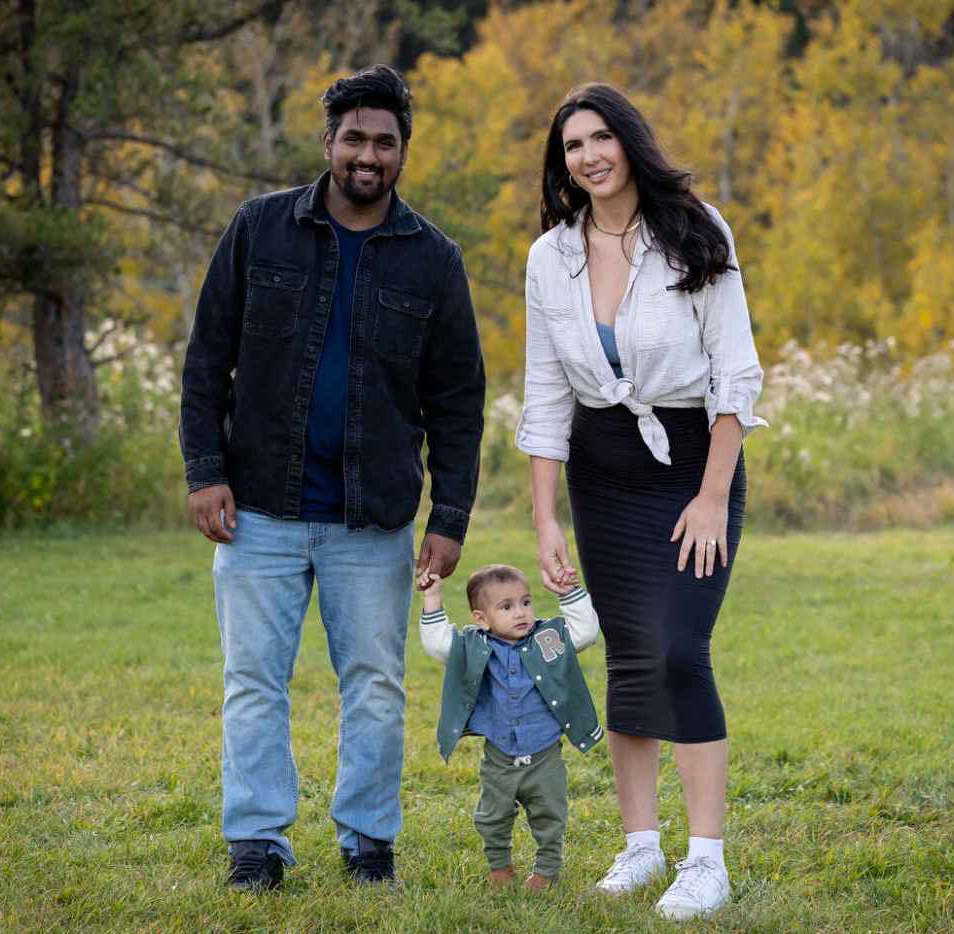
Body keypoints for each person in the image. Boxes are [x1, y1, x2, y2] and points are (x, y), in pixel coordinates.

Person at [178, 64, 485, 892]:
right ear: (328, 143)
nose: (368, 154)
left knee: (377, 687)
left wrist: (449, 516)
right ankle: (256, 844)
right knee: (253, 683)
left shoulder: (434, 261)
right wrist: (205, 470)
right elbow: (208, 359)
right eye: (354, 137)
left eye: (385, 142)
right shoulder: (259, 229)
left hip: (373, 517)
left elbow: (458, 400)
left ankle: (368, 842)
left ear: (403, 152)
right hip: (259, 509)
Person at [515, 83, 767, 921]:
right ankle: (640, 846)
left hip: (695, 458)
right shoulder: (551, 256)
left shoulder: (697, 230)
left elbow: (736, 372)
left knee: (678, 650)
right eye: (572, 146)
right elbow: (546, 392)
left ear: (629, 141)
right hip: (603, 468)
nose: (588, 156)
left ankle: (707, 860)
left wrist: (711, 494)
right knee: (627, 652)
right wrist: (547, 516)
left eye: (600, 138)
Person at [416, 563, 601, 890]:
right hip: (499, 758)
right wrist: (432, 596)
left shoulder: (547, 639)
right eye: (506, 607)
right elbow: (438, 644)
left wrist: (569, 593)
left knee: (550, 816)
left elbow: (585, 633)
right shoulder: (474, 647)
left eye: (526, 602)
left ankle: (546, 871)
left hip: (545, 756)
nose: (521, 613)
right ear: (481, 618)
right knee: (492, 816)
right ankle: (500, 867)